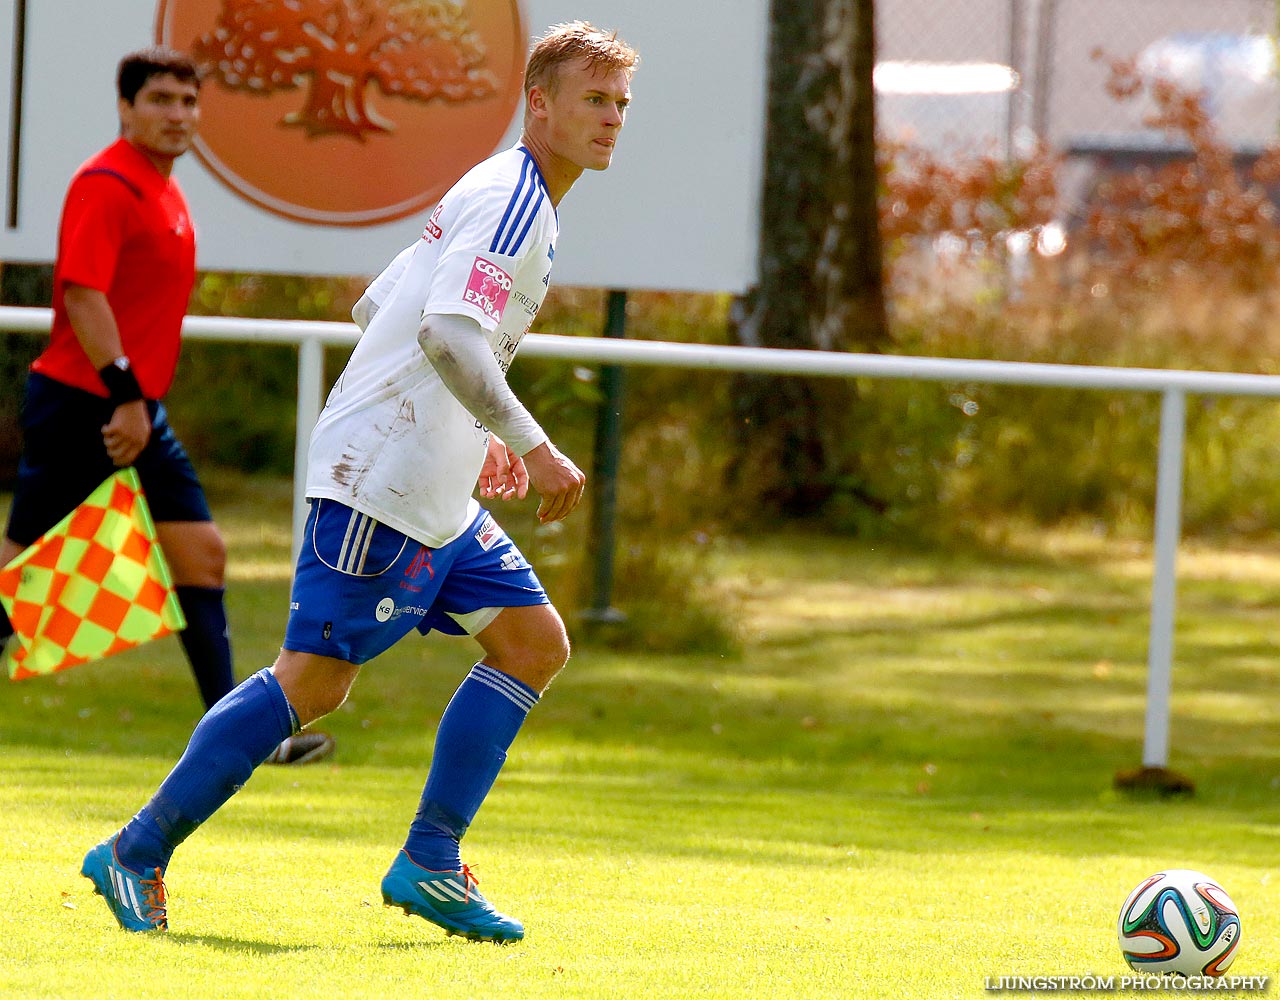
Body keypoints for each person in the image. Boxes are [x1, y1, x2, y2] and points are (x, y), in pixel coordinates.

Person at [81, 22, 639, 942]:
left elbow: (383, 302)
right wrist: (530, 442)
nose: (611, 119)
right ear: (538, 103)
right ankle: (136, 851)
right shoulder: (515, 199)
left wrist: (469, 425)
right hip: (379, 479)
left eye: (620, 104)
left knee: (534, 644)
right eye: (592, 99)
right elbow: (447, 334)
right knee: (313, 682)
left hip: (431, 480)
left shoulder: (509, 191)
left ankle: (429, 860)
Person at [0, 48, 332, 766]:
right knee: (21, 565)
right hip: (86, 402)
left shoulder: (163, 189)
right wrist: (123, 396)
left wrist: (135, 402)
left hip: (135, 410)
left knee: (202, 558)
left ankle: (242, 742)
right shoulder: (105, 183)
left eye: (188, 101)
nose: (177, 114)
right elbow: (82, 295)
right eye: (159, 100)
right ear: (126, 109)